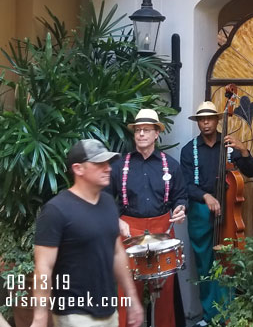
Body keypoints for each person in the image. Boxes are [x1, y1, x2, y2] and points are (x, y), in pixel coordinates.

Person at [31, 139, 144, 327]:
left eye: (108, 163)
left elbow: (117, 253)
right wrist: (40, 318)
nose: (108, 168)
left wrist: (132, 298)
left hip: (109, 311)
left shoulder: (108, 203)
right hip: (75, 315)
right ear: (78, 169)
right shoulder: (56, 210)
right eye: (99, 164)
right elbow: (43, 269)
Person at [107, 109, 188, 327]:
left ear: (156, 134)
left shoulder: (171, 165)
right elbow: (104, 198)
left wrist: (180, 209)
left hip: (162, 229)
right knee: (126, 290)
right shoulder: (119, 165)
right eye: (138, 130)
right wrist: (116, 219)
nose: (141, 134)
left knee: (163, 290)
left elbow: (181, 196)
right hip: (129, 229)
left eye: (146, 130)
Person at [180, 100, 253, 324]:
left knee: (227, 263)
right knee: (205, 264)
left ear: (216, 120)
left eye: (210, 118)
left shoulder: (230, 147)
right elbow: (186, 185)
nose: (205, 123)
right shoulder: (189, 150)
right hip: (201, 212)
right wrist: (206, 197)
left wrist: (243, 150)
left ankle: (228, 315)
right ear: (198, 123)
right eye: (201, 119)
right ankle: (209, 315)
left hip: (229, 213)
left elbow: (252, 171)